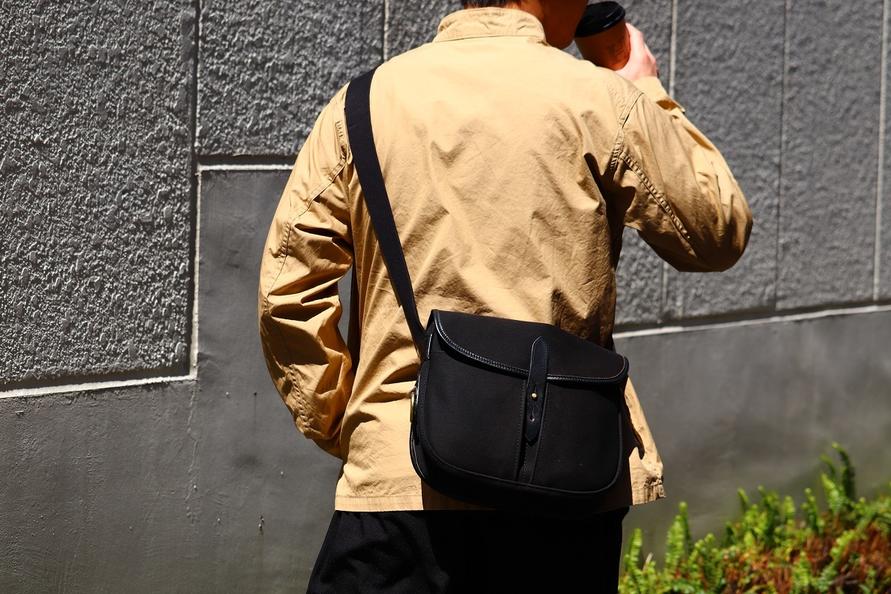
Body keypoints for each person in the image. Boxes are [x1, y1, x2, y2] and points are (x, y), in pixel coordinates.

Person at [258, 0, 753, 591]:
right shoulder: (603, 101)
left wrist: (357, 426)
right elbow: (718, 231)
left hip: (400, 485)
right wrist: (646, 90)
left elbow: (287, 292)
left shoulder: (362, 104)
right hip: (562, 486)